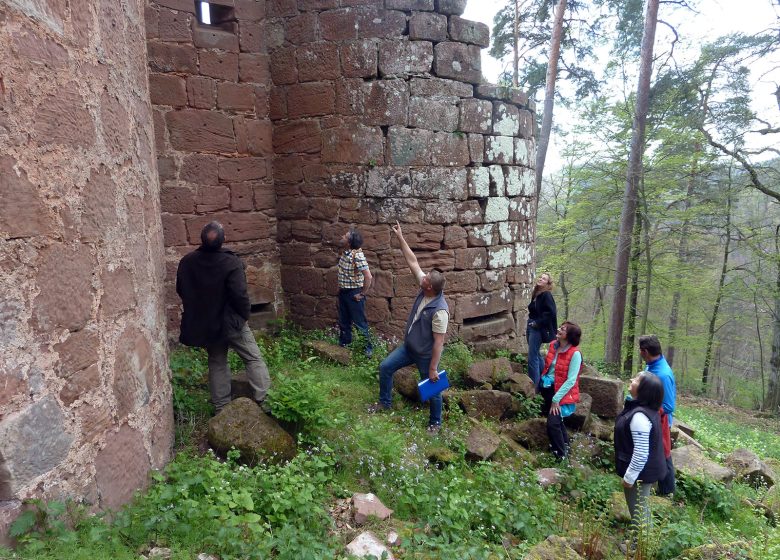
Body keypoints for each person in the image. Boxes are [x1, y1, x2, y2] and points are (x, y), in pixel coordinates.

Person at [176, 221, 271, 413]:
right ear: (223, 240)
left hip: (209, 322)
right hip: (231, 322)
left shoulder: (188, 262)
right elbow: (240, 295)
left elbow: (182, 290)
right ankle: (266, 402)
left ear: (201, 239)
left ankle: (221, 408)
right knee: (253, 358)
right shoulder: (231, 262)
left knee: (217, 361)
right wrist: (243, 315)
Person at [374, 221, 449, 434]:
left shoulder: (440, 311)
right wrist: (400, 236)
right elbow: (413, 262)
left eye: (424, 280)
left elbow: (439, 342)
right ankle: (385, 403)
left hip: (425, 355)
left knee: (433, 388)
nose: (421, 278)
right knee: (385, 367)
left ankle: (435, 423)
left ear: (430, 288)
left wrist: (433, 368)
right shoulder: (426, 286)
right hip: (409, 348)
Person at [614, 372, 668, 530]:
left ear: (645, 389)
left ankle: (642, 546)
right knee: (640, 508)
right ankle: (642, 541)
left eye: (637, 379)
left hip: (641, 473)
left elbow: (641, 453)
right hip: (644, 471)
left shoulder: (640, 417)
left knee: (638, 510)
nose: (632, 380)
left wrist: (629, 478)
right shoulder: (644, 409)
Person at [639, 334, 676, 495]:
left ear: (645, 351)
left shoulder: (663, 374)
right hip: (649, 418)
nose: (639, 353)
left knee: (664, 455)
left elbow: (668, 406)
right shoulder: (651, 366)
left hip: (660, 423)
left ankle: (667, 491)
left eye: (640, 351)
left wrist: (645, 406)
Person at [540, 321, 582, 460]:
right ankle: (566, 449)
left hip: (562, 393)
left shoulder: (575, 354)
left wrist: (556, 399)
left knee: (552, 424)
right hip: (549, 388)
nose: (558, 329)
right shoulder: (553, 345)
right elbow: (549, 366)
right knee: (558, 422)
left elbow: (571, 380)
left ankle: (560, 457)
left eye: (562, 329)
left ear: (568, 336)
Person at [337, 227, 374, 357]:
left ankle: (367, 350)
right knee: (344, 321)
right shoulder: (346, 252)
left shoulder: (357, 255)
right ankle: (344, 346)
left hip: (354, 294)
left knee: (359, 323)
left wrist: (362, 294)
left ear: (349, 242)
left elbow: (368, 276)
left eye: (345, 236)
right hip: (343, 292)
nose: (342, 236)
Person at [526, 273, 557, 389]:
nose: (540, 279)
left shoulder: (546, 295)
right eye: (540, 277)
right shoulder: (537, 293)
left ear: (547, 284)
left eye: (544, 279)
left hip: (538, 328)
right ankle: (543, 380)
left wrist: (537, 323)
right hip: (531, 324)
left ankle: (534, 388)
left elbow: (551, 313)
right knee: (537, 355)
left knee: (532, 357)